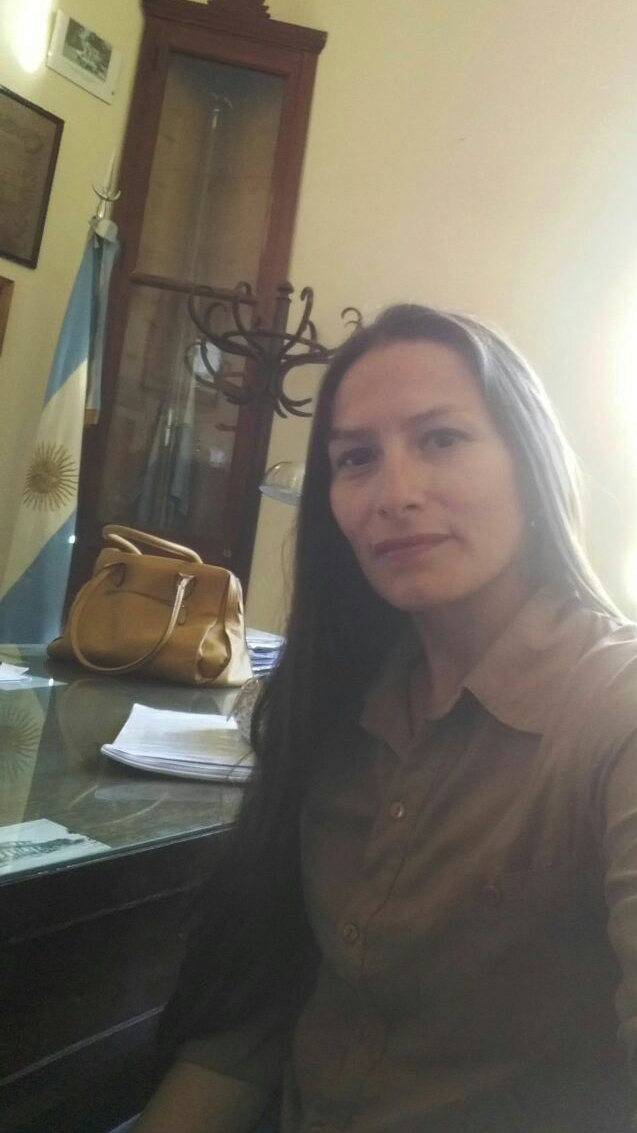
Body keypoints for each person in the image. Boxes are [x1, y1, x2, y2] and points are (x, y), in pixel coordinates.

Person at [134, 305, 637, 1132]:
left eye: (441, 439)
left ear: (529, 462)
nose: (394, 494)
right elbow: (255, 1018)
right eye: (356, 458)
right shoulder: (334, 703)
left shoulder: (614, 707)